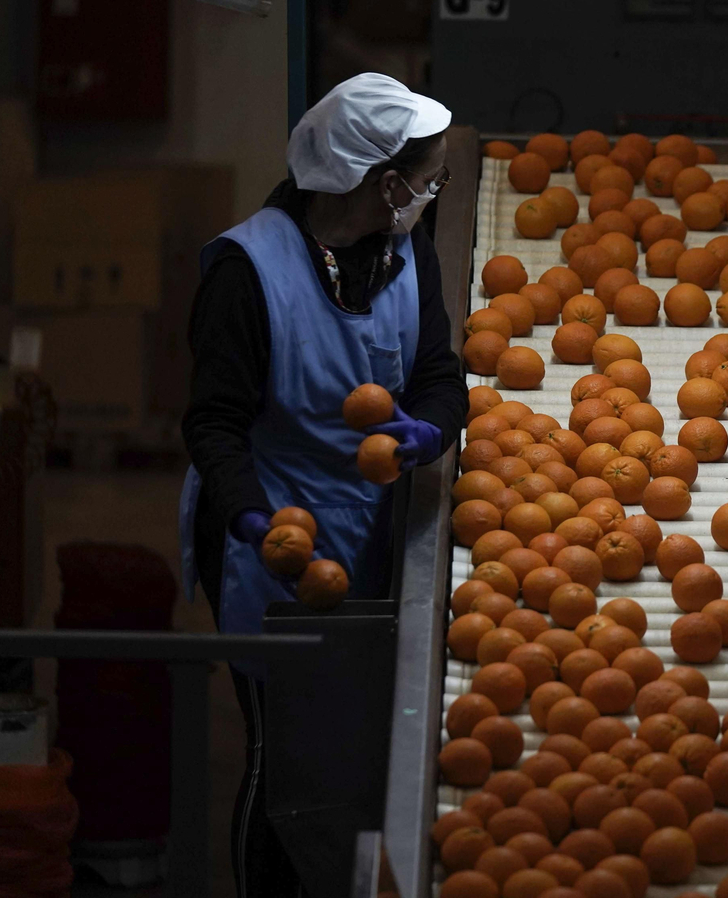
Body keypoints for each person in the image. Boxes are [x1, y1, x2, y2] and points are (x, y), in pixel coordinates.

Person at [178, 73, 467, 898]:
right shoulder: (248, 270)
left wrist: (432, 427)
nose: (432, 192)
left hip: (374, 531)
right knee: (284, 764)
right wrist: (250, 518)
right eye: (428, 178)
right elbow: (213, 425)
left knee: (356, 755)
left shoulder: (405, 252)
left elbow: (440, 375)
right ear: (384, 184)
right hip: (277, 538)